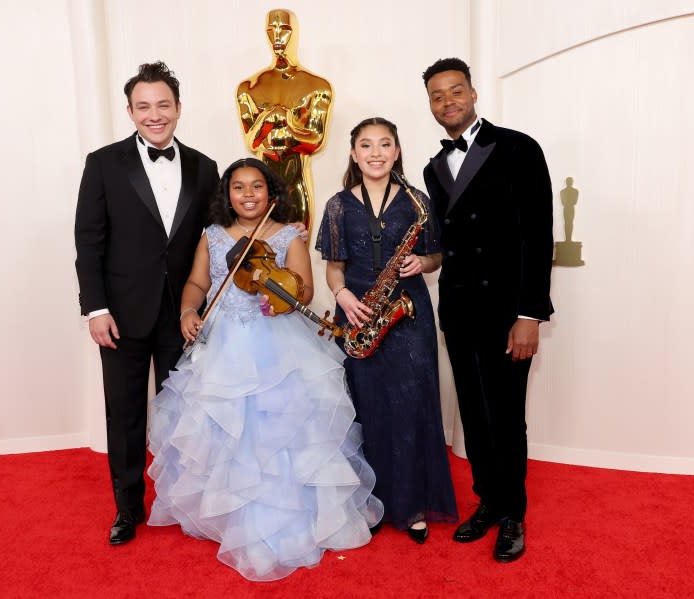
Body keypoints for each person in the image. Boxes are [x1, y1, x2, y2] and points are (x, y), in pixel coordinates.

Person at [147, 158, 383, 582]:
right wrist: (187, 309)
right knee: (228, 427)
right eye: (239, 187)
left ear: (272, 193)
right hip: (224, 341)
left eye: (257, 186)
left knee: (283, 428)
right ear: (228, 195)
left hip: (278, 338)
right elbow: (198, 283)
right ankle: (229, 516)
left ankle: (291, 517)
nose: (249, 195)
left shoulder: (290, 234)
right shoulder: (213, 236)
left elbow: (304, 288)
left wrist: (282, 293)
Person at [74, 61, 219, 546]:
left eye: (163, 105)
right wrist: (95, 309)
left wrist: (284, 232)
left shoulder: (205, 166)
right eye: (143, 107)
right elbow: (89, 241)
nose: (154, 115)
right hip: (120, 313)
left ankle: (183, 503)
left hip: (182, 315)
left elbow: (217, 237)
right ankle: (128, 508)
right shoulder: (103, 163)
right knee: (126, 414)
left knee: (186, 412)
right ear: (130, 111)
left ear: (178, 108)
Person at [421, 58, 554, 562]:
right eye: (438, 95)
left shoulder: (519, 147)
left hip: (507, 310)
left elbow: (538, 236)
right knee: (473, 414)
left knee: (506, 414)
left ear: (473, 94)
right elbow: (444, 241)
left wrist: (529, 314)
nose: (448, 101)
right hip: (457, 309)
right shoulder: (434, 168)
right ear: (431, 105)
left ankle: (514, 513)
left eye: (456, 91)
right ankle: (489, 502)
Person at [315, 117, 458, 544]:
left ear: (396, 151)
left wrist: (424, 263)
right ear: (354, 153)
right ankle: (370, 503)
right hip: (358, 312)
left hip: (408, 314)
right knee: (366, 405)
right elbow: (333, 269)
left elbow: (435, 256)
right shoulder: (338, 205)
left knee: (411, 404)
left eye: (384, 144)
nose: (375, 153)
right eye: (366, 145)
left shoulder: (418, 201)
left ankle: (413, 505)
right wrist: (342, 297)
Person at [236, 8, 332, 233]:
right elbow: (252, 142)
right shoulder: (249, 87)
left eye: (284, 29)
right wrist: (269, 118)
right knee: (262, 255)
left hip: (296, 180)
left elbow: (315, 141)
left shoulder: (316, 86)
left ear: (295, 32)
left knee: (297, 254)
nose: (277, 36)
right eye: (271, 30)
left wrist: (286, 125)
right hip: (263, 184)